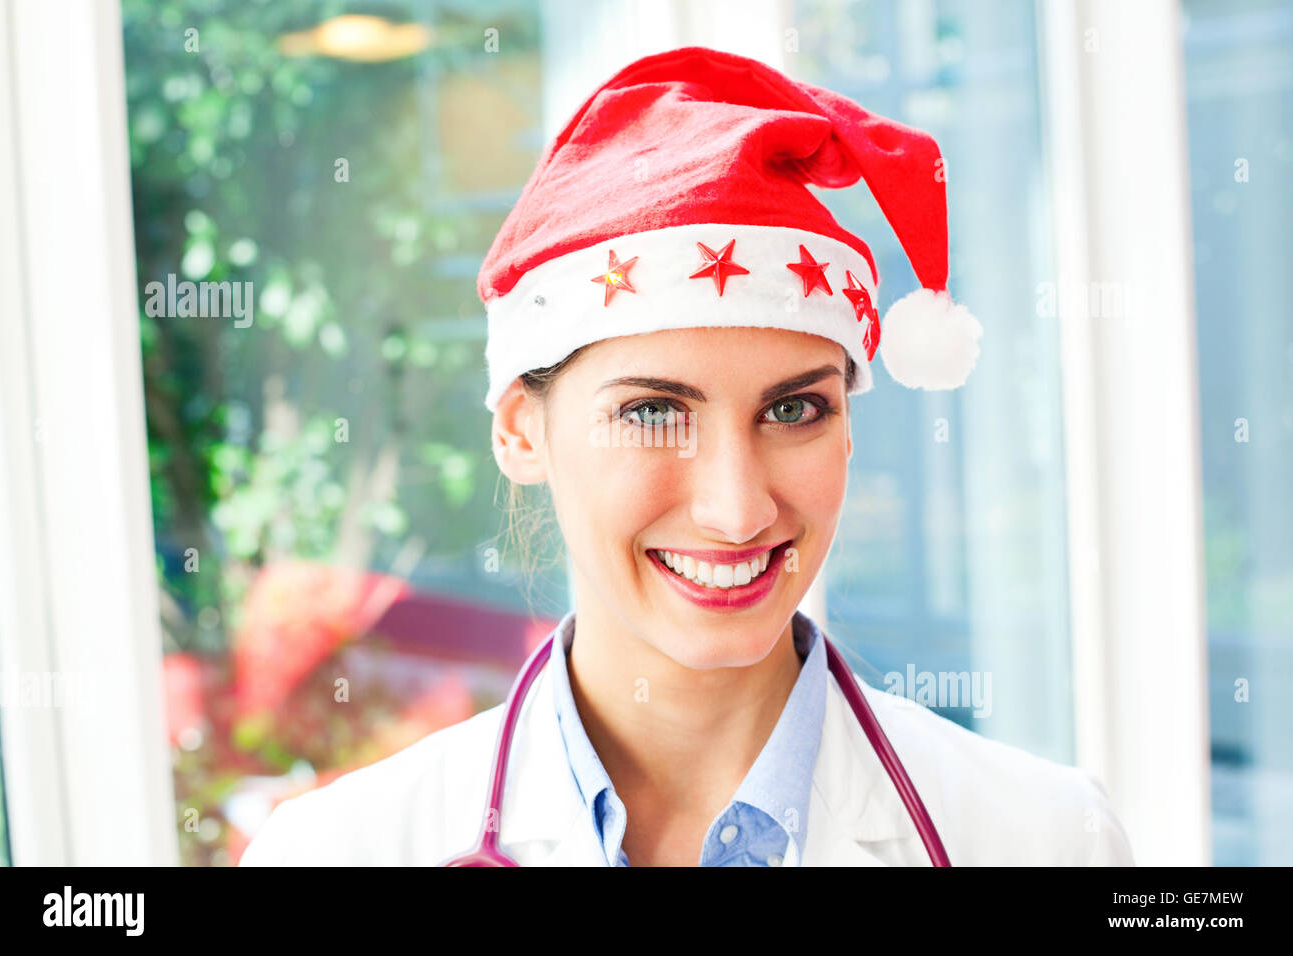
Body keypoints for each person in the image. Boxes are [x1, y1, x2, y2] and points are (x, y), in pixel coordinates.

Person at [239, 45, 1135, 867]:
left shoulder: (1049, 837)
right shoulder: (332, 852)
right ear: (520, 430)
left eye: (793, 408)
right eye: (653, 413)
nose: (737, 508)